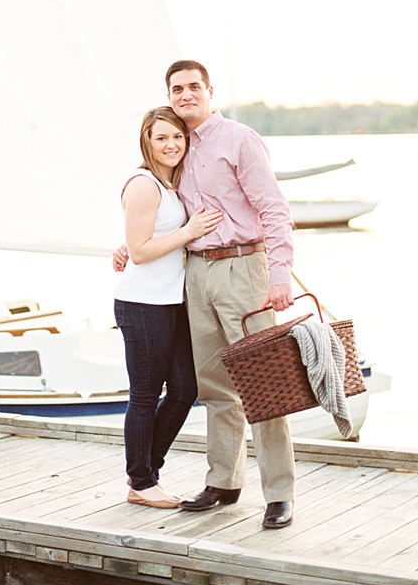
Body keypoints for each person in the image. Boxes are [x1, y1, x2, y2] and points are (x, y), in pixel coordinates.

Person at [113, 61, 297, 529]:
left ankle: (278, 493)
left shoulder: (239, 139)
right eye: (177, 88)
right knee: (214, 387)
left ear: (210, 91)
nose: (186, 94)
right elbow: (161, 215)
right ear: (169, 95)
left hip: (243, 270)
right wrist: (126, 244)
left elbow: (273, 208)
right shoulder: (177, 146)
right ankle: (224, 481)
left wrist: (280, 275)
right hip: (195, 273)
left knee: (263, 383)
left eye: (194, 86)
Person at [114, 106, 223, 510]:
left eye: (177, 136)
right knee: (144, 395)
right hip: (142, 304)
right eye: (161, 137)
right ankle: (141, 481)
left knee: (184, 389)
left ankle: (145, 470)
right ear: (147, 141)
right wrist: (189, 231)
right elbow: (141, 252)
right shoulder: (143, 183)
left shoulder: (171, 184)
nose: (171, 144)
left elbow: (140, 239)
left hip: (171, 303)